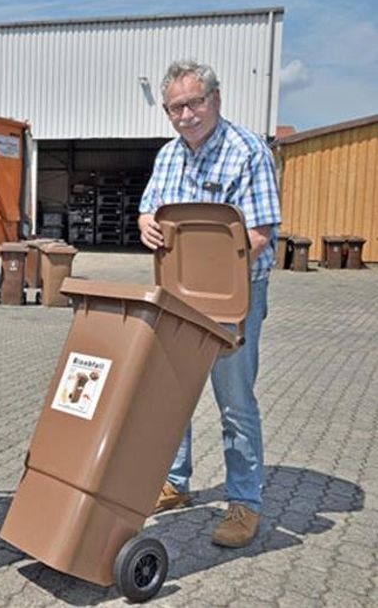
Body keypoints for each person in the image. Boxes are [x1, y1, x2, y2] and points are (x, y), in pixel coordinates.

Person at [138, 60, 281, 548]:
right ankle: (175, 483)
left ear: (215, 100)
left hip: (233, 296)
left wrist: (208, 269)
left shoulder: (248, 153)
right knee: (172, 391)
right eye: (177, 106)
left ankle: (245, 503)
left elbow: (260, 234)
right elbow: (148, 209)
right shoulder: (167, 157)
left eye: (195, 102)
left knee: (235, 402)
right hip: (177, 295)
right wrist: (144, 223)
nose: (187, 114)